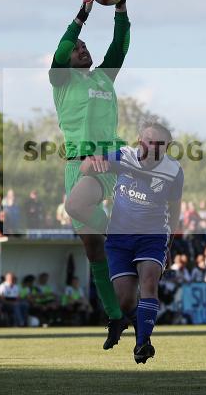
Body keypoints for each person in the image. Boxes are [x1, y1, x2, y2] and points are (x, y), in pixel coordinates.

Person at [49, 0, 132, 350]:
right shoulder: (61, 81)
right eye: (79, 49)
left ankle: (119, 228)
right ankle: (116, 316)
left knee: (76, 205)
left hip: (103, 161)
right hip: (73, 166)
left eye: (85, 47)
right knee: (92, 247)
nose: (83, 49)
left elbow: (120, 44)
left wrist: (120, 6)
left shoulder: (103, 76)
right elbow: (65, 43)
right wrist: (84, 7)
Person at [76, 121, 183, 364]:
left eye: (159, 143)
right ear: (139, 141)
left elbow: (175, 208)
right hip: (120, 238)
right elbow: (84, 167)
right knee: (124, 301)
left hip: (152, 236)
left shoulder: (174, 171)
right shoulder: (123, 156)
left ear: (168, 147)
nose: (152, 147)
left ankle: (142, 343)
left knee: (149, 283)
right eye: (148, 141)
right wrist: (94, 163)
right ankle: (138, 325)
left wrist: (170, 242)